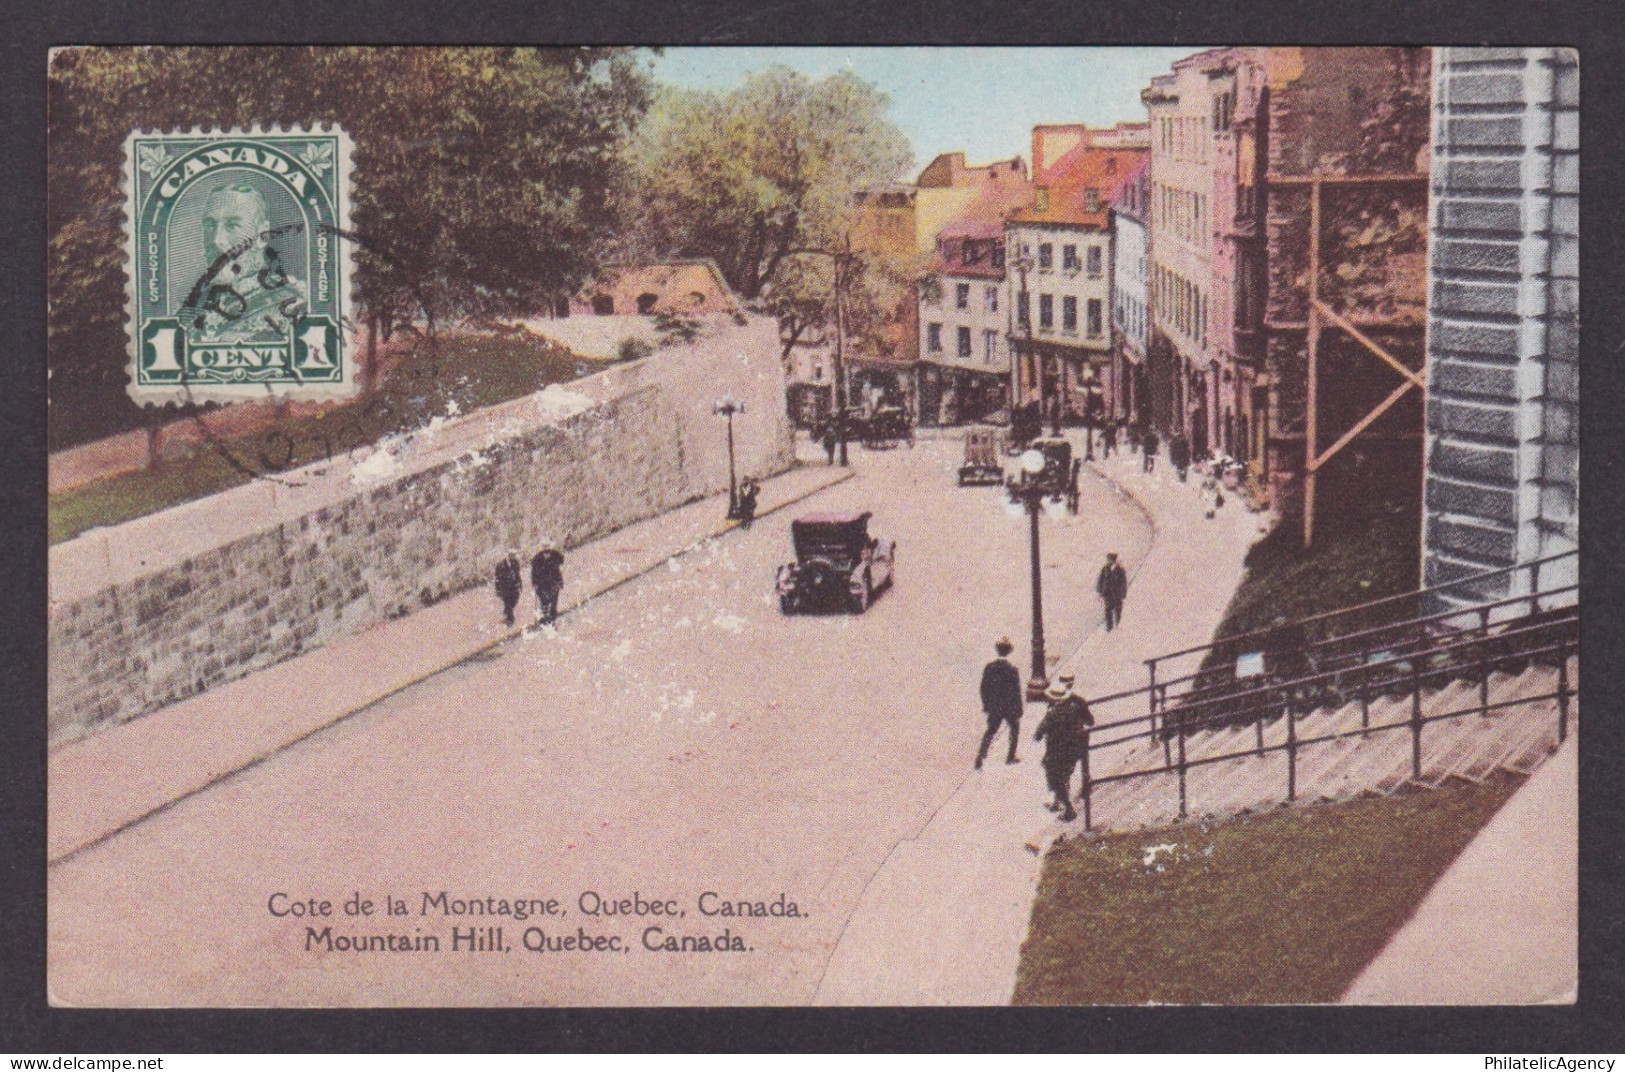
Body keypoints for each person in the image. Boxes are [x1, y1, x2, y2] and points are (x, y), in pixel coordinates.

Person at [1034, 674, 1094, 821]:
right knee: (1064, 774)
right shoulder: (1077, 704)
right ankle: (1059, 801)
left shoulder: (1053, 712)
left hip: (1057, 751)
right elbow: (1090, 721)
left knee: (1055, 778)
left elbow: (1040, 731)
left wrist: (1039, 734)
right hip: (1076, 747)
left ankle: (1068, 809)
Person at [975, 637, 1025, 769]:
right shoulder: (1012, 669)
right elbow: (1016, 692)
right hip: (1009, 708)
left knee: (991, 730)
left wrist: (986, 705)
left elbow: (983, 688)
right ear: (1008, 652)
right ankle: (1010, 756)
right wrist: (1019, 708)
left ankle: (981, 754)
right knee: (1014, 730)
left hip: (995, 707)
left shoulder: (989, 667)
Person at [530, 546, 564, 625]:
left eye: (548, 552)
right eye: (545, 552)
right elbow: (534, 573)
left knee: (553, 601)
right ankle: (544, 618)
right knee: (544, 601)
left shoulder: (555, 557)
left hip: (553, 582)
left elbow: (560, 564)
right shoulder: (537, 560)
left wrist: (560, 582)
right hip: (542, 584)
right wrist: (535, 583)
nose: (547, 554)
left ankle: (551, 618)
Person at [1096, 551, 1128, 631]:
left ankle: (1118, 628)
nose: (1109, 561)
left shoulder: (1120, 570)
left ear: (1114, 560)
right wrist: (1100, 592)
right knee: (1108, 612)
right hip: (1108, 595)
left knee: (1118, 613)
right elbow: (1101, 580)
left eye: (1111, 560)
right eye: (1109, 560)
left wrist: (1123, 594)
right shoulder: (1105, 569)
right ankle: (1109, 629)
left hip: (1117, 595)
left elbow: (1123, 583)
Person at [494, 551, 523, 626]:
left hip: (514, 587)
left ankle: (507, 611)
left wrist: (520, 584)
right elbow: (497, 578)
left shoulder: (516, 563)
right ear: (508, 556)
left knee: (514, 601)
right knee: (507, 603)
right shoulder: (501, 565)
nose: (512, 557)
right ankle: (510, 620)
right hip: (505, 588)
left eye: (513, 555)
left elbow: (517, 574)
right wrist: (498, 589)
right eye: (511, 556)